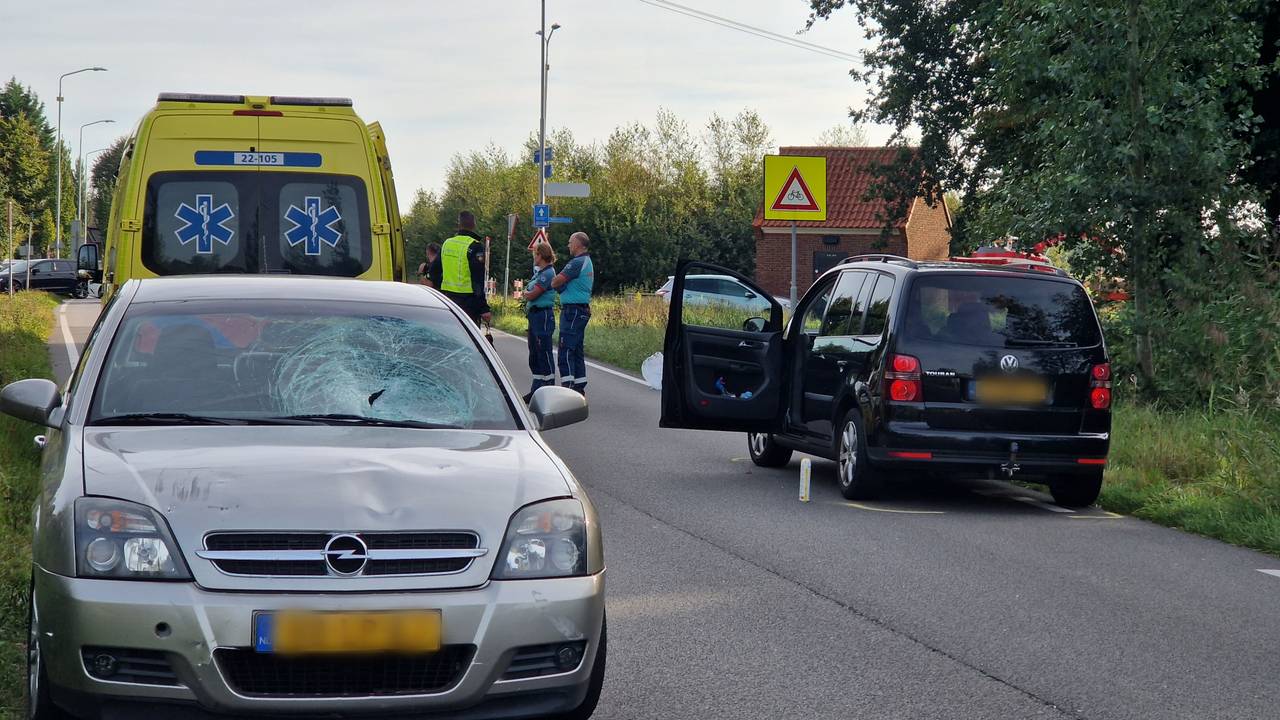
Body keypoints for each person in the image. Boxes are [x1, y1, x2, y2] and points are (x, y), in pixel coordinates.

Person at [428, 212, 491, 326]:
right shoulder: (475, 246)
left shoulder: (447, 244)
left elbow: (433, 271)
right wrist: (483, 308)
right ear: (474, 225)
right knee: (468, 337)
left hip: (447, 300)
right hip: (468, 303)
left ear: (459, 224)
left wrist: (441, 290)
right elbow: (477, 280)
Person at [551, 231, 594, 395]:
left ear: (578, 244)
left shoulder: (576, 262)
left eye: (570, 242)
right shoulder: (587, 261)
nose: (568, 245)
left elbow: (555, 281)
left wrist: (560, 286)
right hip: (581, 309)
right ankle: (579, 386)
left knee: (566, 349)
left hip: (572, 311)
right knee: (576, 349)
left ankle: (567, 388)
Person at [521, 242, 558, 403]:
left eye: (536, 254)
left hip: (543, 316)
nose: (534, 257)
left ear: (541, 255)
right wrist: (527, 293)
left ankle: (550, 388)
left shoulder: (547, 273)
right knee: (534, 354)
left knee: (544, 352)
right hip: (534, 315)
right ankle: (536, 389)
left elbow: (532, 294)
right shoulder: (540, 273)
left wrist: (526, 293)